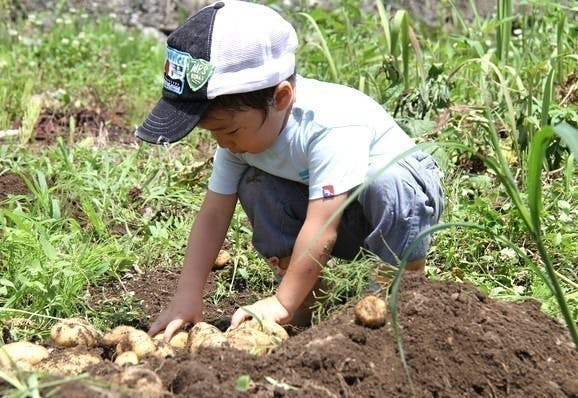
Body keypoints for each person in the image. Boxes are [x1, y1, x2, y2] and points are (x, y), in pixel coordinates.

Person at [138, 0, 443, 340]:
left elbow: (323, 226)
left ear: (280, 97)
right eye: (214, 134)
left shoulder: (328, 125)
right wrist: (187, 295)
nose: (223, 144)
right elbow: (213, 214)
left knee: (388, 183)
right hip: (334, 212)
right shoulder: (242, 139)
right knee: (254, 183)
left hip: (393, 212)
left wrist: (280, 303)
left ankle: (399, 290)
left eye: (230, 131)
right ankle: (306, 300)